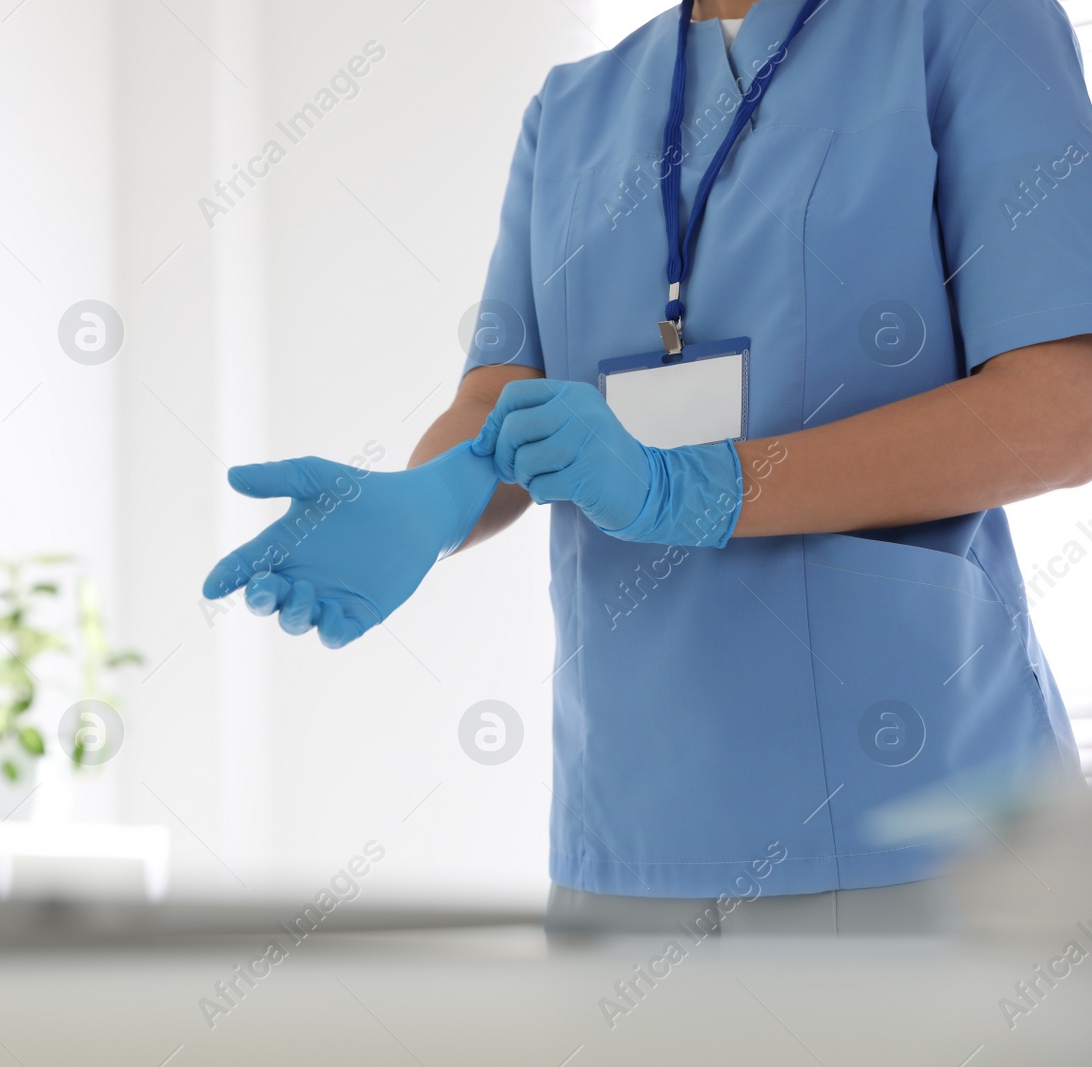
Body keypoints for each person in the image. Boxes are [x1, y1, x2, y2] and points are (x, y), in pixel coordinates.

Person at [204, 0, 1092, 935]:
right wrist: (427, 500)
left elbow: (1062, 405)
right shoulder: (574, 107)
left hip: (927, 817)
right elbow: (497, 404)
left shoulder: (961, 28)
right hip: (628, 829)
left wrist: (700, 487)